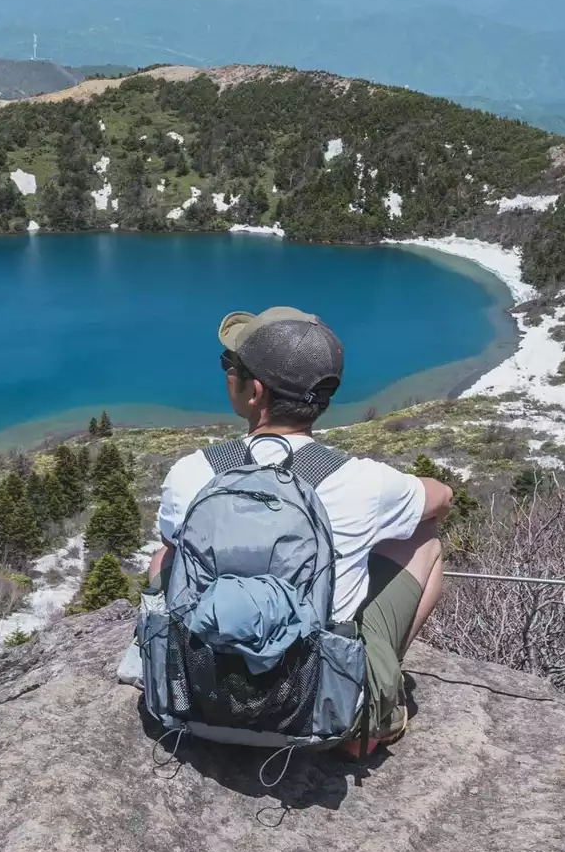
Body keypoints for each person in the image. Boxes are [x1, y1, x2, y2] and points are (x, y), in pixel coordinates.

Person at [146, 306, 454, 757]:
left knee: (166, 555)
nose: (227, 373)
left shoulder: (193, 472)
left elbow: (173, 551)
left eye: (230, 367)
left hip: (193, 705)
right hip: (313, 715)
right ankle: (369, 709)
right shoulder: (360, 481)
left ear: (254, 391)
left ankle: (179, 668)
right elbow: (442, 498)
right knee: (423, 542)